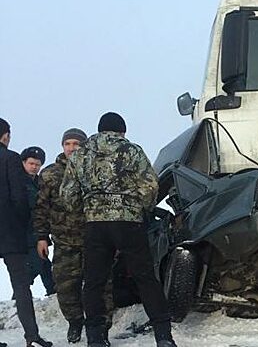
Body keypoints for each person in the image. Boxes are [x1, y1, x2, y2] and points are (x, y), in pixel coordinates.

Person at [60, 112, 176, 347]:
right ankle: (163, 336)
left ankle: (95, 337)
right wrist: (141, 207)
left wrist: (89, 206)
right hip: (128, 223)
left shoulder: (80, 155)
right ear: (122, 131)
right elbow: (150, 187)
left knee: (94, 281)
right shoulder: (132, 150)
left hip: (95, 225)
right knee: (145, 278)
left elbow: (68, 196)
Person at [34, 128, 114, 343]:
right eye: (67, 144)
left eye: (76, 144)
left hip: (94, 240)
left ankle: (101, 327)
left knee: (101, 286)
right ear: (62, 146)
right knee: (66, 287)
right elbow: (41, 208)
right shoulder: (50, 174)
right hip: (64, 241)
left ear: (84, 146)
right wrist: (42, 237)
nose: (71, 148)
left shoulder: (96, 171)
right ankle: (75, 322)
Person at [0, 118, 52, 347]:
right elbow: (19, 198)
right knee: (21, 285)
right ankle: (31, 335)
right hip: (11, 232)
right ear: (6, 135)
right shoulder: (10, 158)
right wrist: (22, 224)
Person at [19, 146, 56, 296]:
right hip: (25, 233)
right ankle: (19, 297)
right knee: (37, 264)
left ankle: (52, 291)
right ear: (24, 163)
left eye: (37, 164)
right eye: (31, 164)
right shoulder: (18, 182)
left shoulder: (38, 183)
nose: (34, 167)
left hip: (37, 232)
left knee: (43, 264)